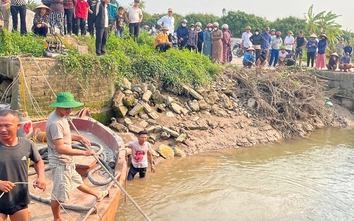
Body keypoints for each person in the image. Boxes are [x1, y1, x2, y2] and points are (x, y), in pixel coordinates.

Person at [46, 92, 109, 221]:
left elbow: (66, 136)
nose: (69, 111)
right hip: (60, 162)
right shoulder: (56, 123)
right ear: (57, 107)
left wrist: (79, 137)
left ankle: (97, 194)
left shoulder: (62, 117)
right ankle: (56, 218)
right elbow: (60, 148)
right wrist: (84, 153)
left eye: (71, 108)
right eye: (66, 108)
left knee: (75, 180)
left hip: (67, 161)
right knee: (58, 194)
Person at [0, 110, 46, 221]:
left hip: (19, 198)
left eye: (7, 126)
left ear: (18, 126)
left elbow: (38, 161)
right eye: (0, 126)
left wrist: (41, 177)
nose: (2, 129)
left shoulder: (27, 144)